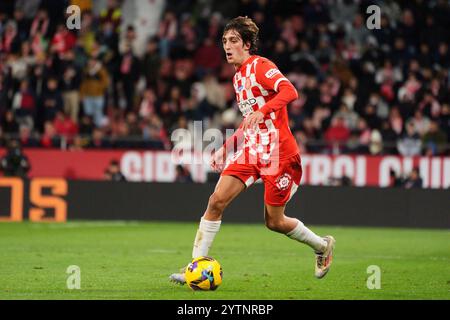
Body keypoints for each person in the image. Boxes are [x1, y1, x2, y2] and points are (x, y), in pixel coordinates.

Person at [170, 16, 335, 284]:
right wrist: (225, 148)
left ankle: (321, 245)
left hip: (279, 153)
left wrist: (264, 109)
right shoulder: (237, 79)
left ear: (247, 44)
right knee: (215, 201)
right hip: (252, 150)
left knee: (274, 222)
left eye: (234, 40)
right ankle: (195, 267)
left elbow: (290, 91)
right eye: (224, 41)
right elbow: (249, 122)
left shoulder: (260, 66)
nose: (228, 46)